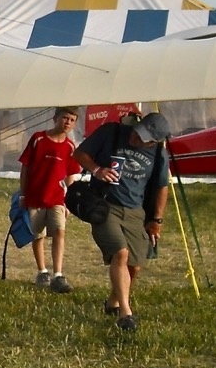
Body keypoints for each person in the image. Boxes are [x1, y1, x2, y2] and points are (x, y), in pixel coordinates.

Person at [73, 111, 171, 332]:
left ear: (154, 142)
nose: (135, 139)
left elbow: (161, 187)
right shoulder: (111, 132)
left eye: (143, 138)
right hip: (104, 205)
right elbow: (80, 154)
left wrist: (156, 220)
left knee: (135, 266)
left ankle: (113, 302)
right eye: (137, 132)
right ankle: (125, 313)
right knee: (121, 253)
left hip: (135, 211)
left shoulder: (158, 154)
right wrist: (97, 170)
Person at [18, 106, 82, 293]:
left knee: (59, 232)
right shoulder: (38, 139)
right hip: (36, 196)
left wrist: (68, 199)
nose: (67, 122)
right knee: (38, 234)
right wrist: (23, 194)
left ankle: (58, 274)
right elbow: (26, 168)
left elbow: (71, 174)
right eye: (65, 118)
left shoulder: (70, 147)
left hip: (57, 200)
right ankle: (42, 271)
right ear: (55, 118)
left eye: (72, 120)